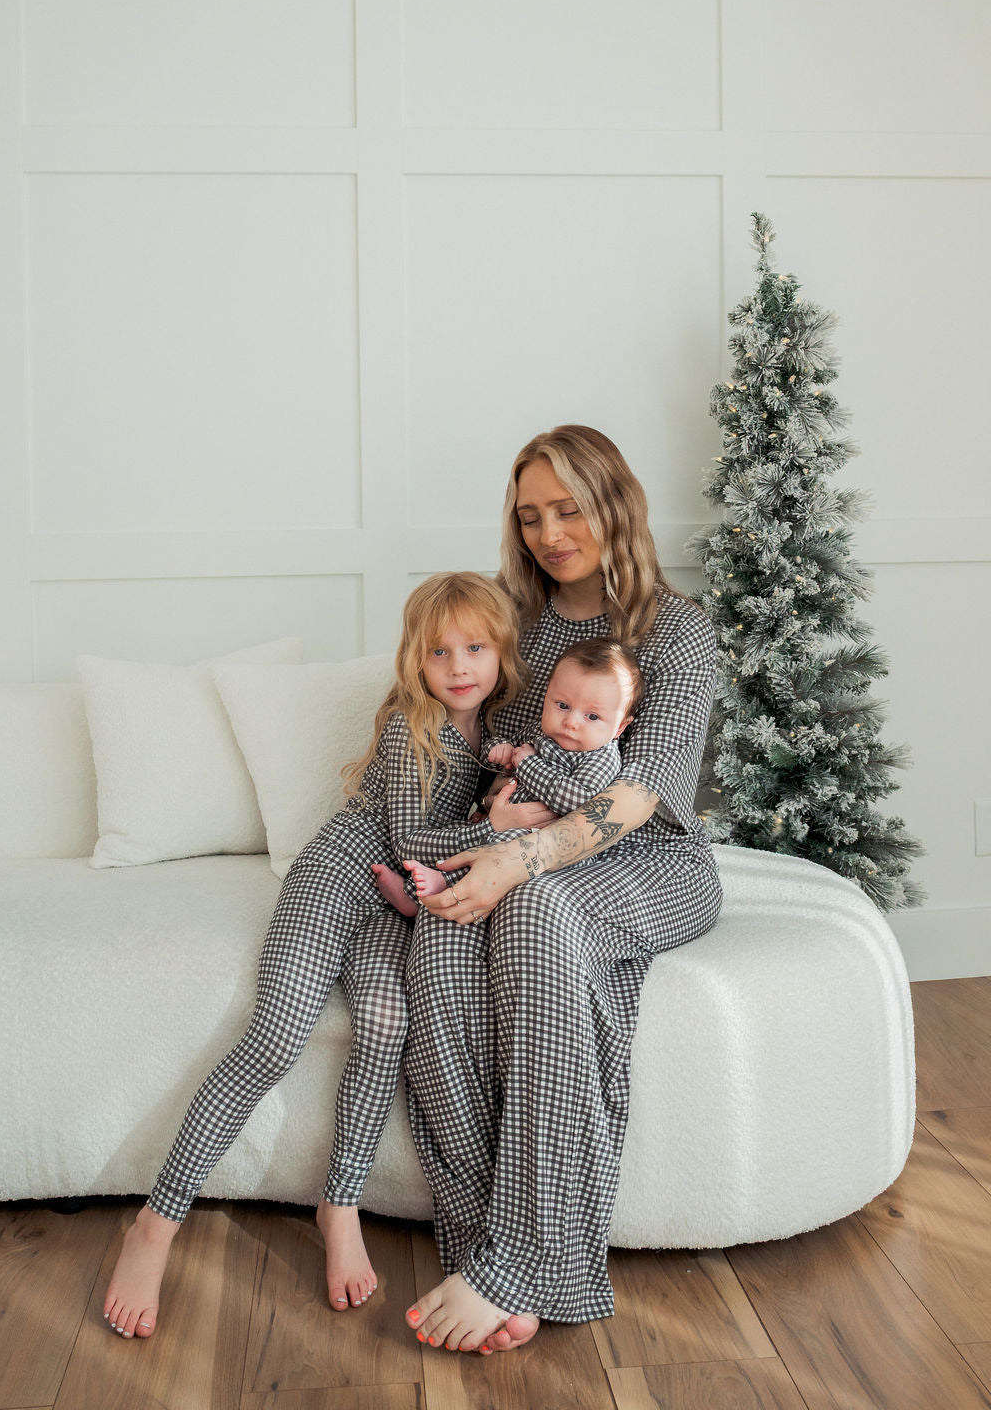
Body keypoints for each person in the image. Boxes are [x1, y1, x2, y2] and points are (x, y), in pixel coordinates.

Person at [102, 571, 527, 1340]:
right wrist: (504, 834)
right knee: (274, 1039)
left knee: (387, 1028)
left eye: (475, 647)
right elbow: (408, 841)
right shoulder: (412, 725)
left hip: (394, 908)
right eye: (439, 652)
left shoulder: (497, 738)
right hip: (337, 883)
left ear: (501, 651)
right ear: (415, 662)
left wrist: (509, 813)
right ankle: (155, 1226)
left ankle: (341, 1204)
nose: (459, 665)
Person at [400, 425, 724, 1356]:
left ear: (613, 504)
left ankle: (528, 1260)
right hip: (525, 840)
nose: (549, 532)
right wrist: (473, 842)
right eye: (530, 514)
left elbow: (642, 787)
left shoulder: (676, 628)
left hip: (649, 860)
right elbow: (474, 744)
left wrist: (521, 861)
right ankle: (483, 1251)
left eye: (569, 508)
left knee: (537, 909)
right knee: (440, 942)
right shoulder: (517, 623)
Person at [377, 637, 644, 910]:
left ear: (620, 727)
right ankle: (420, 890)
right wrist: (500, 750)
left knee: (496, 847)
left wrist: (527, 764)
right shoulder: (540, 733)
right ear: (547, 697)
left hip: (546, 844)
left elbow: (576, 799)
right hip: (507, 819)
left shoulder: (601, 757)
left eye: (592, 717)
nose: (571, 722)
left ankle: (427, 893)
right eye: (562, 706)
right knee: (464, 831)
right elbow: (502, 750)